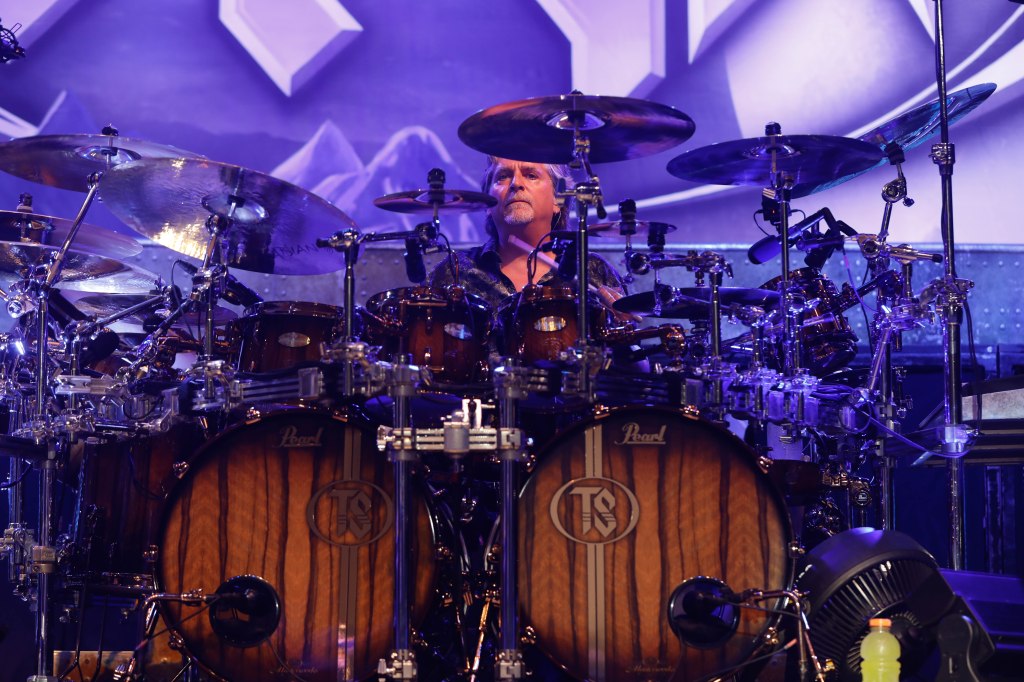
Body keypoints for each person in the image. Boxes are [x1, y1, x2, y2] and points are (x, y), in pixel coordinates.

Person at [427, 156, 628, 311]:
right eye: (503, 176)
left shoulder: (593, 271)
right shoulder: (453, 272)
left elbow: (631, 351)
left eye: (531, 175)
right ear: (487, 204)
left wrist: (619, 321)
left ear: (558, 200)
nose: (516, 183)